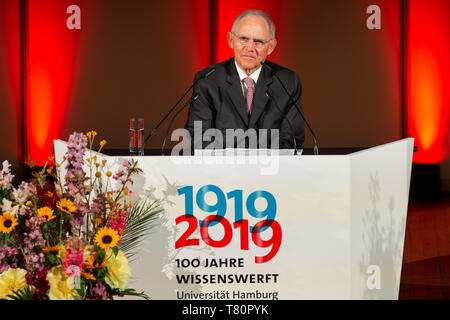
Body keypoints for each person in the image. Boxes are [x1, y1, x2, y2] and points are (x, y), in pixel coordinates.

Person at [185, 9, 304, 151]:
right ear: (231, 40)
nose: (250, 48)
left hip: (270, 170)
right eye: (243, 39)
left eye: (258, 41)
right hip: (221, 170)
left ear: (271, 46)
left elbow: (291, 140)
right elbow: (198, 138)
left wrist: (258, 165)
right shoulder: (207, 80)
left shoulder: (287, 82)